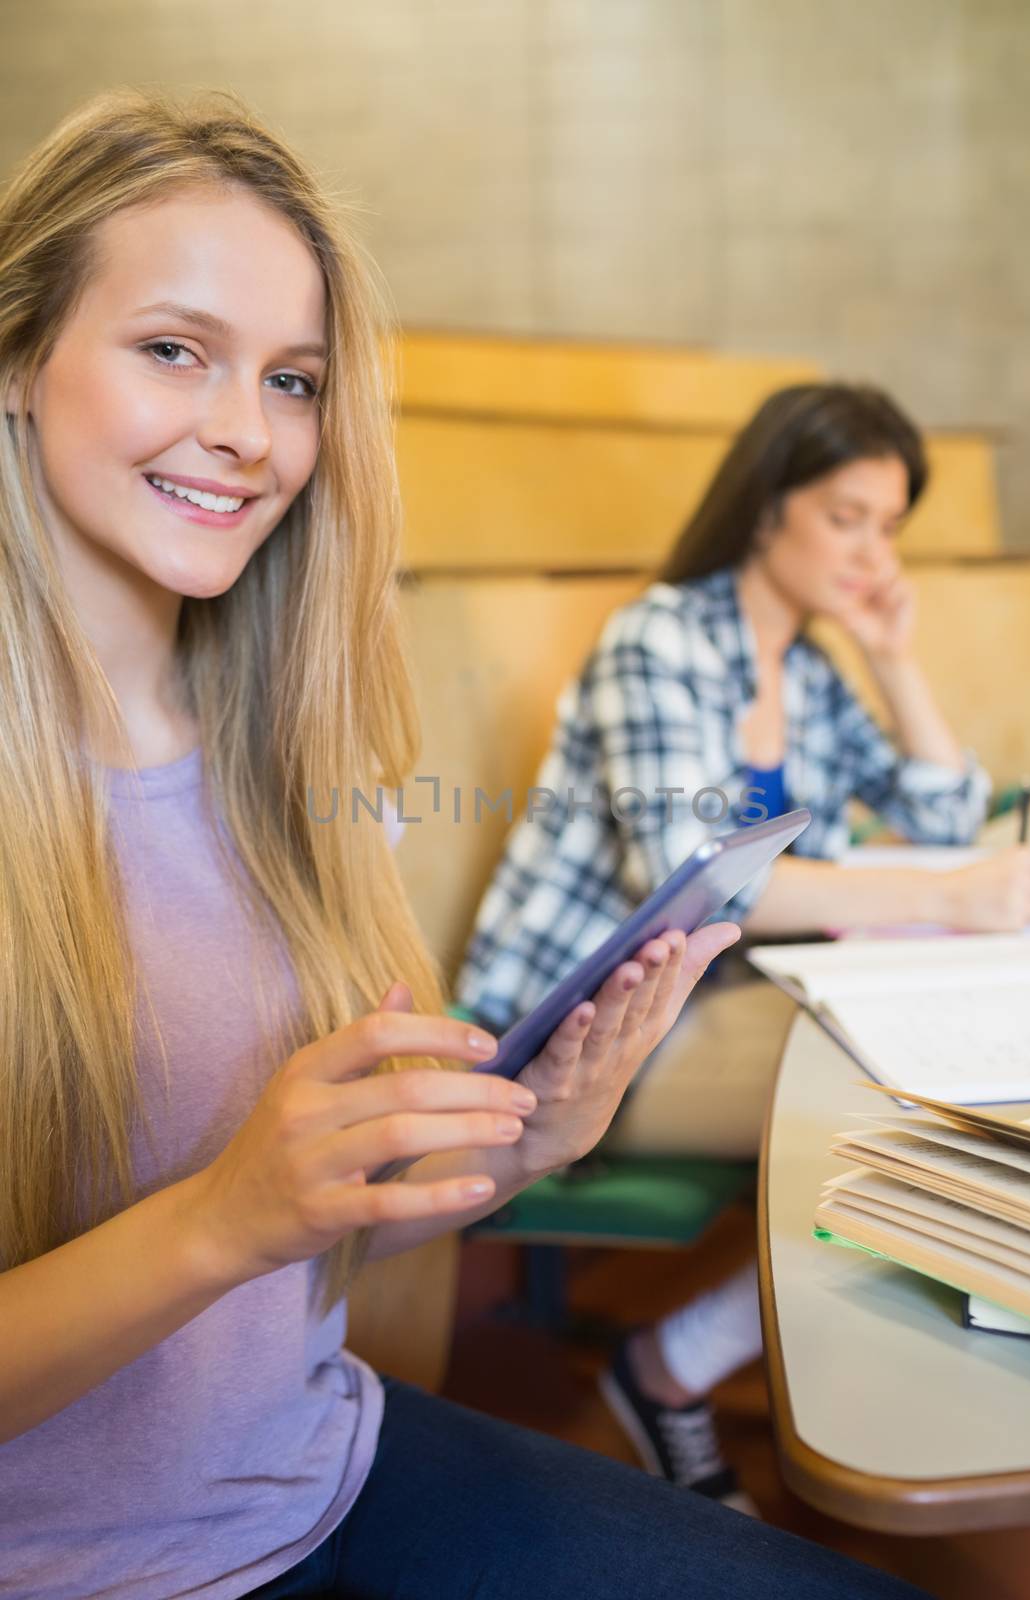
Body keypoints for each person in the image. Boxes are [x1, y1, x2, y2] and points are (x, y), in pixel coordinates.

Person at [0, 88, 936, 1600]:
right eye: (174, 348)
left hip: (322, 1475)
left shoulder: (289, 754)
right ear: (19, 360)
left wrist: (524, 1146)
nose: (246, 432)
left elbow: (325, 1227)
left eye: (293, 379)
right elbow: (240, 1226)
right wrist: (218, 1225)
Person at [456, 382, 1030, 1509]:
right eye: (844, 516)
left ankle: (675, 1362)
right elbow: (678, 872)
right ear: (764, 505)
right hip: (589, 1031)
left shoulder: (812, 668)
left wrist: (893, 657)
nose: (868, 550)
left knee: (947, 1077)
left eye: (886, 526)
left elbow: (939, 820)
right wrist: (948, 891)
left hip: (713, 1003)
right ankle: (666, 1368)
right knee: (907, 1107)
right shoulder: (661, 639)